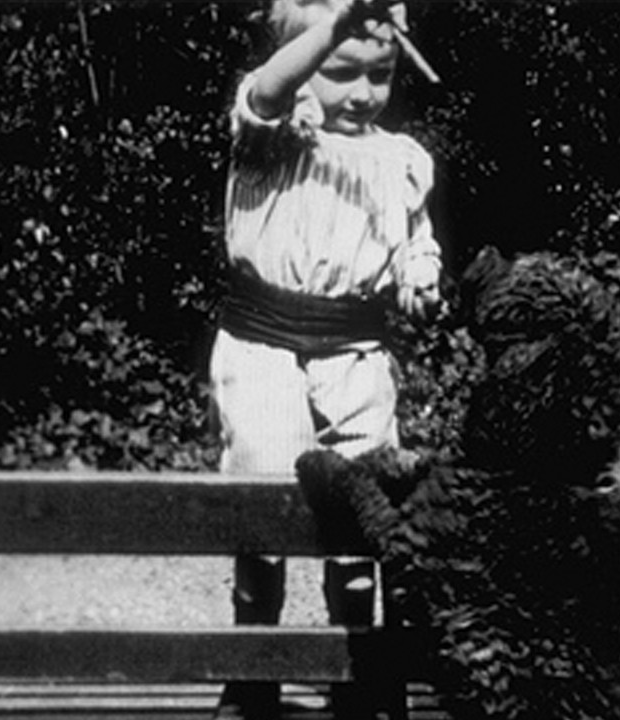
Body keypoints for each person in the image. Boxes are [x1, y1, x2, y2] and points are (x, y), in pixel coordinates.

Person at [208, 1, 441, 717]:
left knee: (364, 519)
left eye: (380, 74)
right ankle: (254, 672)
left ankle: (357, 669)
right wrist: (332, 26)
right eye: (340, 72)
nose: (363, 93)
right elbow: (267, 90)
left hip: (356, 354)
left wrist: (419, 273)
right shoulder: (272, 139)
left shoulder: (399, 158)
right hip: (264, 348)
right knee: (264, 507)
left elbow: (413, 235)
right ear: (306, 62)